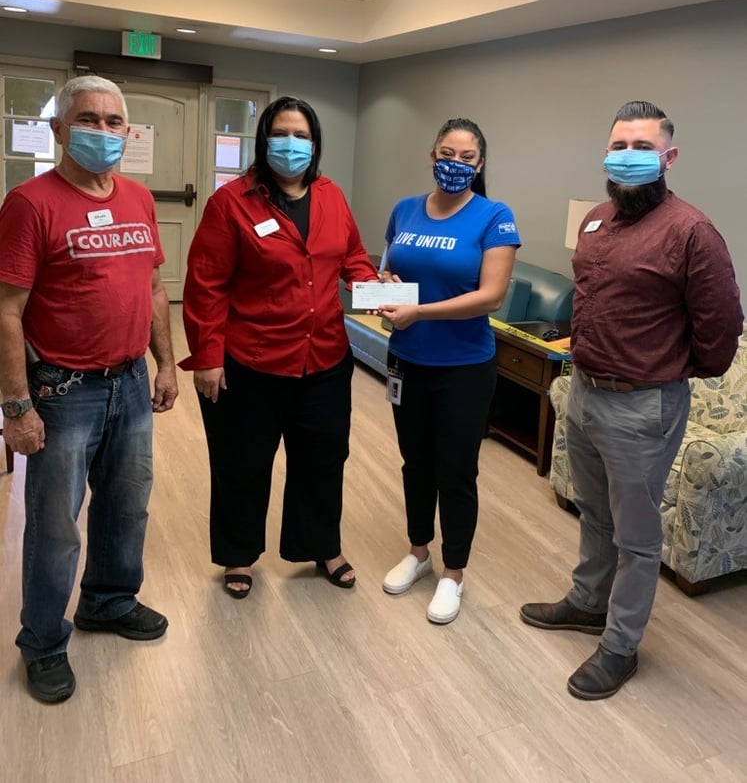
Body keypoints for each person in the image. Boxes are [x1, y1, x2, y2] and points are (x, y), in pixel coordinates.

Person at [520, 100, 743, 700]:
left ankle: (620, 645)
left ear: (669, 157)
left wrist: (671, 372)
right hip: (585, 392)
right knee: (593, 511)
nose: (628, 156)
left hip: (644, 404)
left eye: (643, 147)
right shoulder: (596, 220)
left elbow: (722, 325)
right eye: (619, 145)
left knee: (636, 538)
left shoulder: (691, 231)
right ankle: (588, 602)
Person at [0, 75, 179, 705]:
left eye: (113, 122)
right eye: (87, 119)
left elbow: (153, 288)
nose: (102, 131)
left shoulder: (138, 197)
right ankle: (43, 642)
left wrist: (165, 364)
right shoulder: (30, 203)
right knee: (55, 526)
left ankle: (108, 600)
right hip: (63, 389)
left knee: (126, 507)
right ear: (58, 129)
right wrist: (16, 407)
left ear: (127, 131)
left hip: (129, 382)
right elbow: (6, 311)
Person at [180, 96, 378, 599]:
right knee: (242, 463)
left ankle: (322, 545)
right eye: (281, 134)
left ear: (315, 144)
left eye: (302, 136)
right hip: (252, 362)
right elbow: (206, 285)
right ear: (264, 140)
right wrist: (207, 356)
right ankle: (239, 554)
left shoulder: (332, 196)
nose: (292, 145)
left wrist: (376, 288)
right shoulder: (231, 203)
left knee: (323, 458)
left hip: (325, 358)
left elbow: (353, 257)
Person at [379, 118, 520, 624]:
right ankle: (419, 552)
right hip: (406, 360)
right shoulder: (404, 209)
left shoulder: (494, 216)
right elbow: (387, 267)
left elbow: (491, 296)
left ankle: (453, 572)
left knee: (456, 471)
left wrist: (420, 311)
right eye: (447, 154)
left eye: (466, 158)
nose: (455, 165)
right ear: (432, 155)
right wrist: (385, 283)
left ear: (479, 165)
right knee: (414, 462)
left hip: (463, 366)